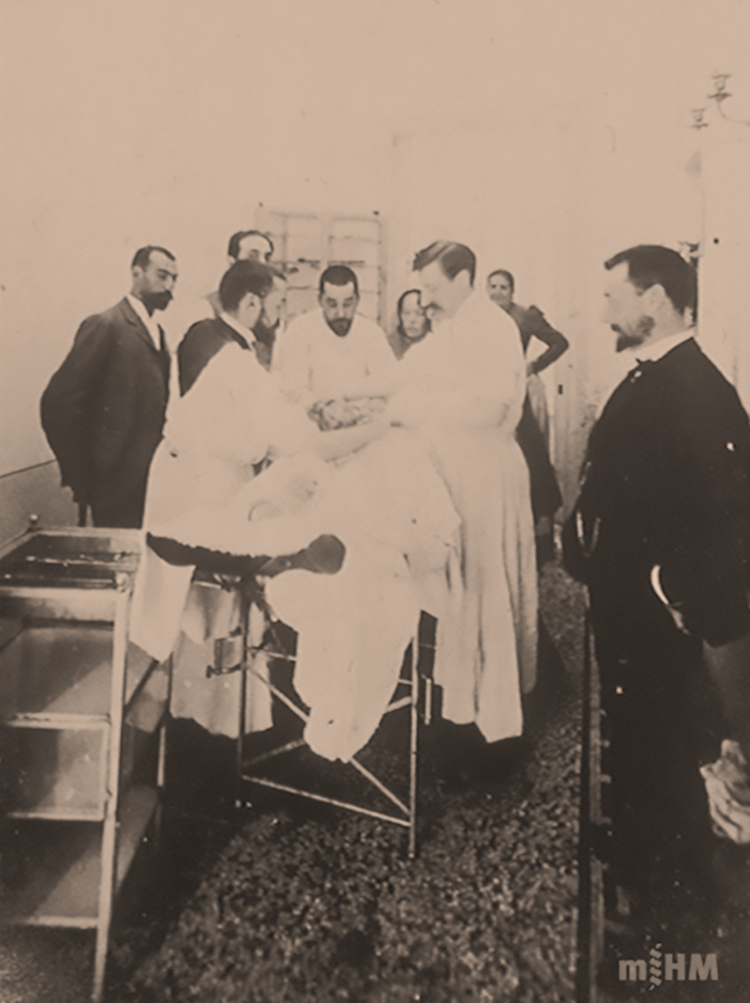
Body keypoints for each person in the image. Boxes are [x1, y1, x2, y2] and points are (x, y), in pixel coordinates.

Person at [563, 244, 750, 921]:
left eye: (613, 298)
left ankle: (666, 889)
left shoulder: (698, 388)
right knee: (635, 731)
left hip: (653, 614)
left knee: (661, 736)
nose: (604, 313)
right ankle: (637, 844)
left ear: (654, 299)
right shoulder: (652, 375)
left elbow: (734, 516)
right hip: (624, 604)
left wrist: (669, 586)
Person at [387, 241, 537, 747]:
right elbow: (403, 375)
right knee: (460, 595)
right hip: (457, 473)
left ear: (464, 278)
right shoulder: (451, 327)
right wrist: (343, 394)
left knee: (483, 594)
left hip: (486, 477)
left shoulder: (492, 327)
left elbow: (490, 410)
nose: (426, 299)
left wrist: (417, 412)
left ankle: (493, 726)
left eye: (432, 287)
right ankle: (462, 710)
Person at [40, 246, 178, 528]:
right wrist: (82, 474)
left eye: (174, 279)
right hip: (114, 483)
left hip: (152, 479)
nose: (169, 286)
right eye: (162, 275)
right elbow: (59, 402)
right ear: (136, 273)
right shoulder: (107, 325)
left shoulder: (158, 333)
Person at [488, 269, 566, 563]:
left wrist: (533, 366)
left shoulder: (524, 316)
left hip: (517, 394)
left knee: (532, 457)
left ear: (512, 292)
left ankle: (541, 539)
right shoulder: (479, 318)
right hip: (488, 397)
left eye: (503, 287)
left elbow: (559, 343)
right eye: (493, 286)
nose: (497, 292)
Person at [272, 264, 397, 418]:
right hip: (313, 421)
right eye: (332, 304)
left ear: (358, 300)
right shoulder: (300, 329)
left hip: (362, 419)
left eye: (348, 304)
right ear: (320, 300)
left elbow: (389, 382)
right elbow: (293, 389)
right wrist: (322, 410)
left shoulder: (371, 333)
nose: (340, 313)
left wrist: (368, 409)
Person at [178, 264, 287, 390]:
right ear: (251, 303)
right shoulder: (223, 345)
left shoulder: (211, 333)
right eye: (277, 306)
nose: (280, 317)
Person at [386, 288, 430, 359]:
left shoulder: (436, 343)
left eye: (419, 313)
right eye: (406, 313)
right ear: (399, 315)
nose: (412, 319)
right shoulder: (388, 346)